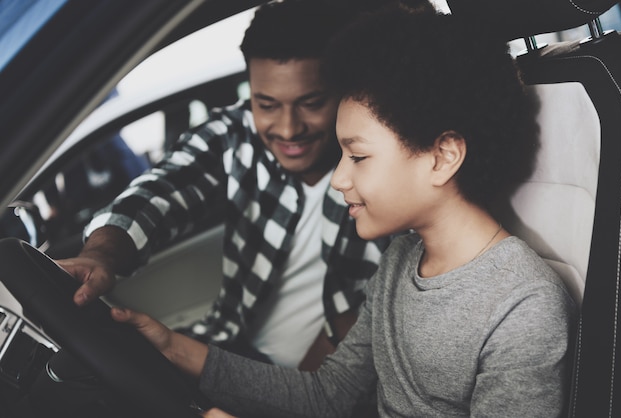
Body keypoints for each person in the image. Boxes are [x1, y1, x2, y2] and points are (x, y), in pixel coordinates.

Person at [112, 4, 578, 417]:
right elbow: (328, 396)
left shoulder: (523, 307)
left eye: (357, 156)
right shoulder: (401, 260)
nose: (338, 179)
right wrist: (170, 346)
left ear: (442, 157)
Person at [56, 0, 396, 372]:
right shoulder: (236, 131)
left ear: (345, 91)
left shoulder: (385, 176)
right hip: (220, 342)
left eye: (311, 103)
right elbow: (158, 192)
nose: (287, 128)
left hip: (300, 385)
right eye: (266, 104)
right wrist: (100, 256)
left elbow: (348, 346)